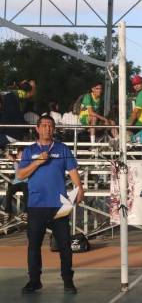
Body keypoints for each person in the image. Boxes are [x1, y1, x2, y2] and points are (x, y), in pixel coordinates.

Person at [17, 115, 84, 294]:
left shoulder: (62, 149)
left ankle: (68, 281)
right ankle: (34, 280)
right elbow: (20, 175)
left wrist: (80, 188)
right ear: (37, 129)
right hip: (36, 205)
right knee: (34, 246)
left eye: (50, 126)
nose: (47, 128)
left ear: (54, 129)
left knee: (64, 245)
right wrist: (37, 161)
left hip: (59, 205)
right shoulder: (29, 151)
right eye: (44, 125)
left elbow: (72, 171)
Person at [2, 146, 28, 224]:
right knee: (9, 191)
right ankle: (8, 212)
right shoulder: (15, 162)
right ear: (17, 156)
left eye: (24, 155)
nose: (22, 157)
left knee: (27, 193)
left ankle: (26, 212)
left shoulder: (28, 162)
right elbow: (8, 155)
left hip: (26, 183)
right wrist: (10, 156)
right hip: (17, 183)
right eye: (21, 155)